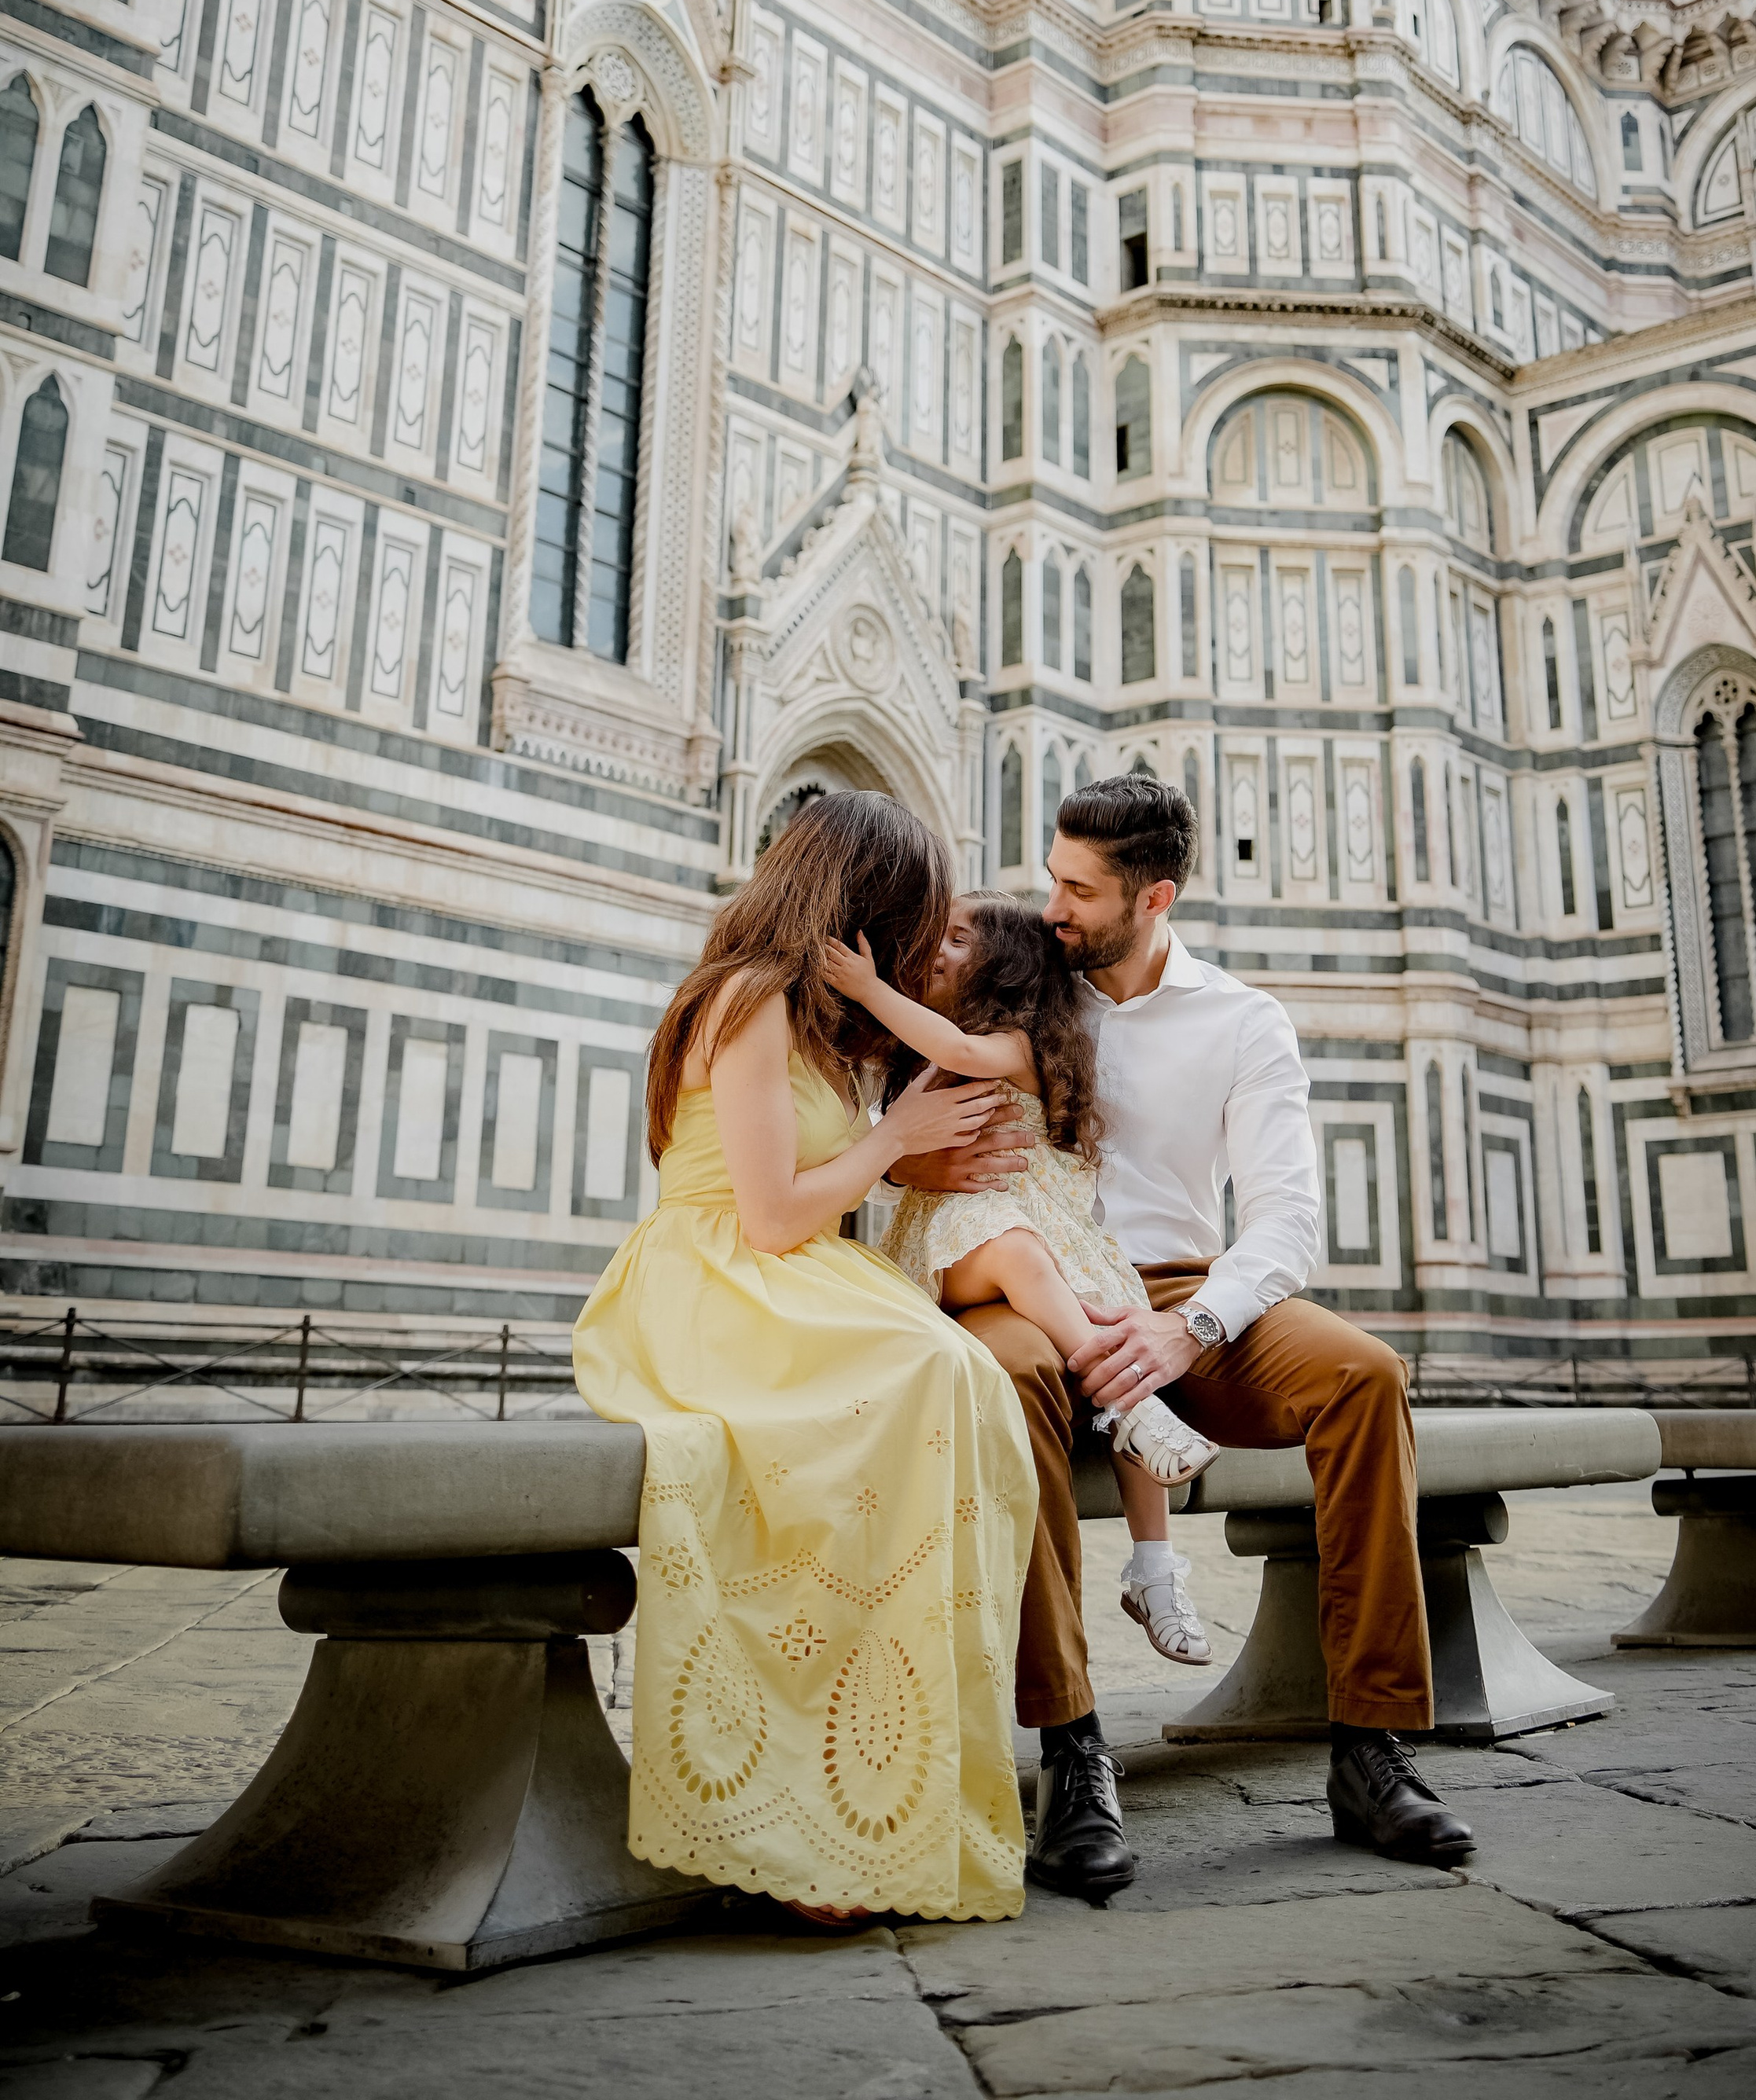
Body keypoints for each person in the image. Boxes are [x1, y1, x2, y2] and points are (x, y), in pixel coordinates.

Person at [890, 774, 1474, 1901]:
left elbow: (1289, 1221)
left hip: (1178, 1290)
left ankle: (1370, 1746)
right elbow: (897, 1129)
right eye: (1053, 877)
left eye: (1079, 890)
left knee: (1364, 1378)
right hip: (1016, 1277)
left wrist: (1188, 1327)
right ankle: (1071, 1751)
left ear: (1153, 898)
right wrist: (919, 1163)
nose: (1053, 907)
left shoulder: (1242, 1022)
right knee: (1006, 1379)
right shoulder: (1012, 987)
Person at [573, 792, 1038, 1925]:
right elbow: (773, 1215)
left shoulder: (821, 1028)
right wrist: (892, 1144)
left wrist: (920, 1160)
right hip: (713, 1283)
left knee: (965, 1385)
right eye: (913, 913)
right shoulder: (744, 1001)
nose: (925, 943)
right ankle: (799, 1813)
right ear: (864, 902)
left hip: (789, 1276)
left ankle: (875, 1788)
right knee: (928, 1381)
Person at [825, 892, 1219, 1669]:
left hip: (1053, 1241)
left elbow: (964, 1054)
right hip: (961, 1244)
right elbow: (867, 1153)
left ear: (1005, 969)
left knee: (1120, 1322)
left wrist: (876, 989)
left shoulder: (1016, 1045)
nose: (938, 948)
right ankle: (1129, 1406)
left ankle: (1153, 1566)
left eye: (959, 938)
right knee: (1015, 1251)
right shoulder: (923, 1060)